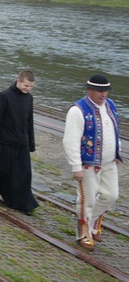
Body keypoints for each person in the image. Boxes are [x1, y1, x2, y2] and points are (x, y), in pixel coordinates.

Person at [63, 74, 122, 251]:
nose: (103, 94)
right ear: (89, 90)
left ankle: (93, 221)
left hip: (109, 162)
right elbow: (70, 140)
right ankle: (83, 233)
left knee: (111, 195)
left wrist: (117, 152)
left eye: (106, 91)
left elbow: (115, 130)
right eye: (99, 91)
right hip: (88, 163)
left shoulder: (110, 105)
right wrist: (75, 166)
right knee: (87, 199)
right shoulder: (78, 110)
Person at [0, 70, 39, 215]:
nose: (28, 89)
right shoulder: (4, 96)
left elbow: (30, 121)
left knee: (24, 174)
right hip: (6, 141)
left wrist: (31, 143)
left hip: (22, 142)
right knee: (0, 170)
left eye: (31, 87)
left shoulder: (29, 98)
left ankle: (23, 204)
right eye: (26, 85)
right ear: (18, 81)